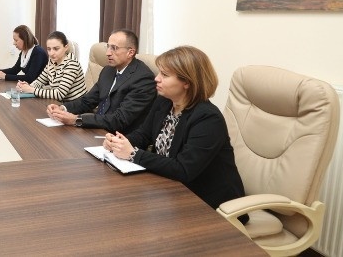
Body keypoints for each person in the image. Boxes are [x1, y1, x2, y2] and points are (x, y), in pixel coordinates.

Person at [102, 46, 248, 217]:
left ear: (187, 82)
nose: (156, 78)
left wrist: (133, 154)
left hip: (209, 204)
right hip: (169, 190)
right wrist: (119, 142)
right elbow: (143, 135)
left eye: (164, 75)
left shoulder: (208, 118)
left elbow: (183, 169)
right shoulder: (164, 102)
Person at [46, 29, 155, 133]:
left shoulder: (143, 79)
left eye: (114, 48)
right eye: (108, 47)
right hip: (97, 128)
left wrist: (76, 119)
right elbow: (87, 101)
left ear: (130, 52)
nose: (108, 53)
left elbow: (119, 120)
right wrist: (62, 108)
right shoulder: (108, 70)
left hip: (120, 137)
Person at [15, 30, 86, 102]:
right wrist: (27, 86)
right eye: (49, 49)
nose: (51, 53)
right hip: (59, 103)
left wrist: (31, 89)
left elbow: (59, 94)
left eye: (56, 49)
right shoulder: (52, 61)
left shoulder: (72, 64)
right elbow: (40, 81)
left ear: (66, 47)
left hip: (76, 105)